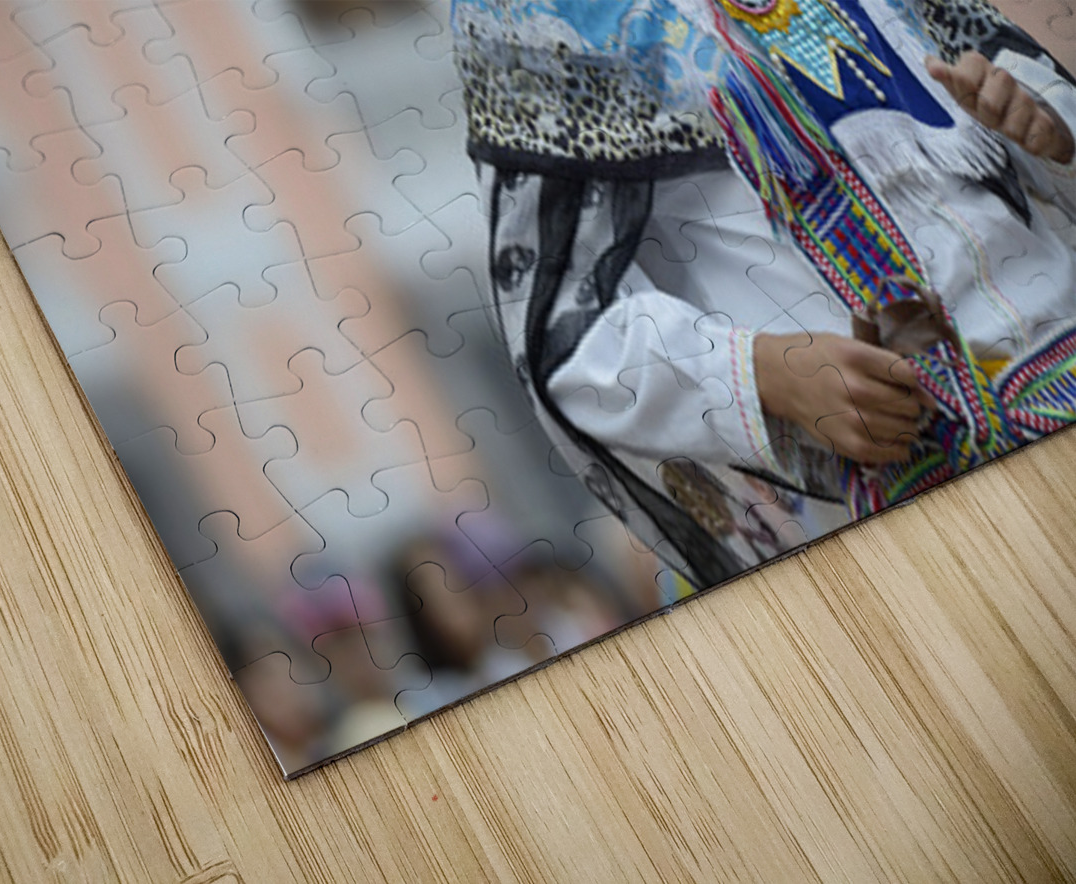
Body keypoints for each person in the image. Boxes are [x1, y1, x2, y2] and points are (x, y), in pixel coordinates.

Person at [451, 0, 1076, 589]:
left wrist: (1049, 130)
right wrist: (764, 372)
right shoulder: (532, 19)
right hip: (906, 498)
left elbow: (1021, 98)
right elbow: (565, 339)